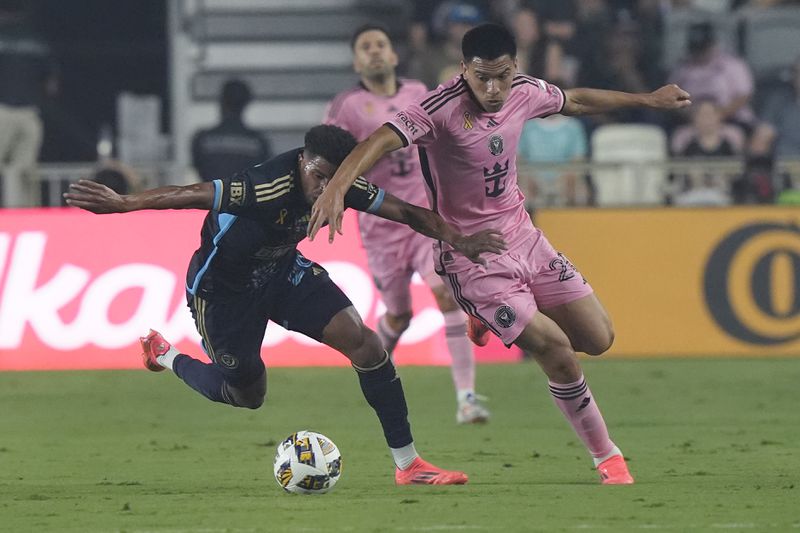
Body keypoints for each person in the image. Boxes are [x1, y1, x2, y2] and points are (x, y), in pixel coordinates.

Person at [308, 23, 691, 485]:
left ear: (516, 68)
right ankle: (607, 456)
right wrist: (338, 186)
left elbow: (577, 100)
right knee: (557, 352)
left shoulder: (525, 91)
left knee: (598, 338)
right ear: (464, 70)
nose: (493, 89)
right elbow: (378, 141)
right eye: (482, 77)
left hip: (525, 237)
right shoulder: (438, 107)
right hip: (469, 257)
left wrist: (648, 100)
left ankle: (484, 319)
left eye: (503, 76)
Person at [65, 124, 506, 485]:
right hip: (222, 294)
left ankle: (408, 465)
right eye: (317, 177)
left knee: (367, 346)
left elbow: (407, 212)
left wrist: (461, 240)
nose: (324, 189)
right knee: (246, 394)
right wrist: (125, 204)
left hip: (281, 273)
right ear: (301, 162)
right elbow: (191, 192)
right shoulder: (265, 186)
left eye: (333, 180)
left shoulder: (339, 183)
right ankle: (166, 354)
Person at [324, 24, 489, 424]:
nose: (375, 52)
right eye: (366, 47)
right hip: (380, 225)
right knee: (399, 315)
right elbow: (332, 157)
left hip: (425, 217)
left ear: (394, 56)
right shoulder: (347, 107)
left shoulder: (419, 94)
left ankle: (467, 398)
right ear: (356, 61)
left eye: (381, 44)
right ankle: (372, 371)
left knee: (447, 296)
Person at [0, 1, 57, 207]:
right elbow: (51, 86)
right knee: (23, 170)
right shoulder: (36, 40)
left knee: (19, 170)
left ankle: (14, 215)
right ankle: (21, 214)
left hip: (3, 111)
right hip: (29, 112)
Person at [191, 79, 272, 182]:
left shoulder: (202, 139)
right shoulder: (258, 142)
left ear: (222, 101)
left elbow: (199, 169)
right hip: (246, 196)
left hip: (213, 195)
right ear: (246, 103)